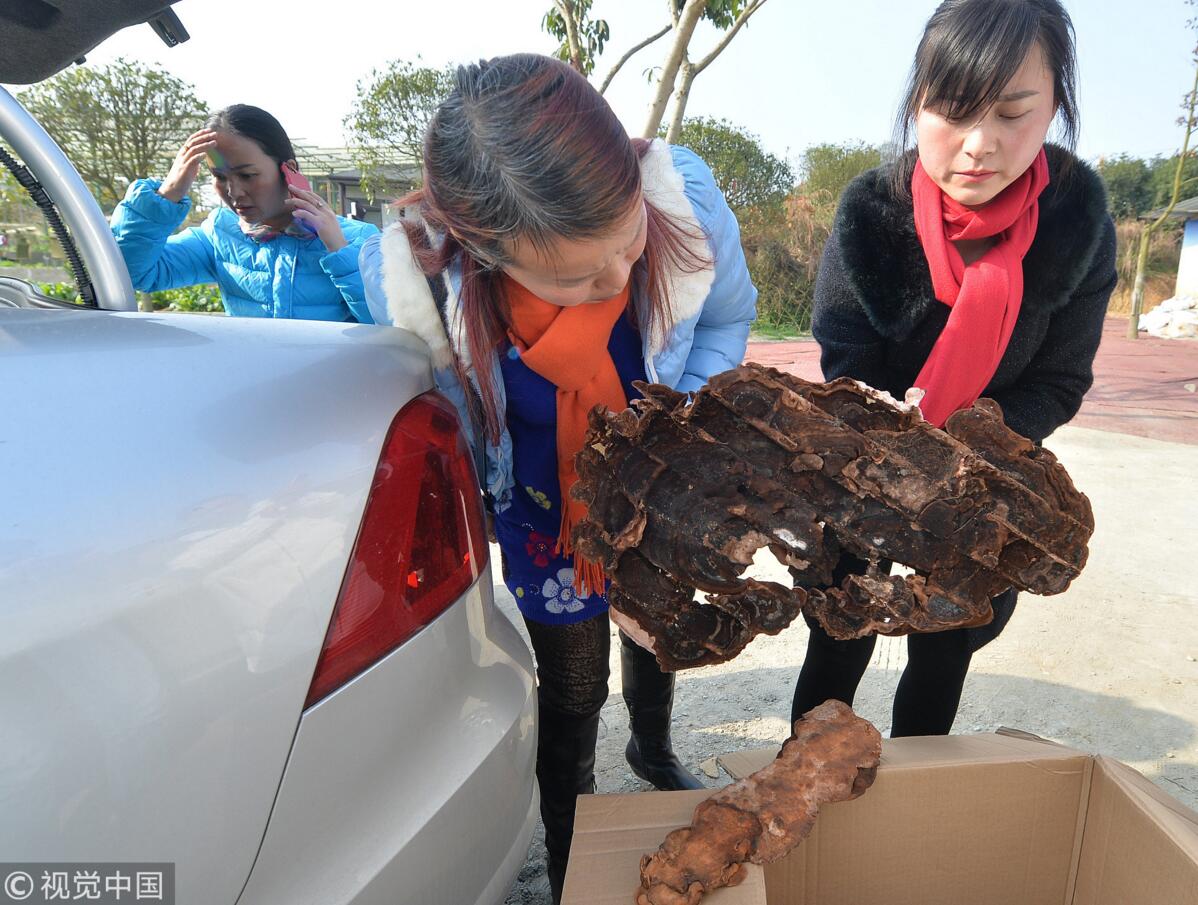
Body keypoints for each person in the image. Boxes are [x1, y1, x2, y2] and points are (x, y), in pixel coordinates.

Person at [359, 54, 756, 903]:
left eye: (626, 241)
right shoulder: (428, 290)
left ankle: (653, 744)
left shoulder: (680, 194)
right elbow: (452, 441)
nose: (617, 279)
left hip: (663, 483)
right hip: (547, 513)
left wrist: (673, 421)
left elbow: (726, 316)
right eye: (575, 275)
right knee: (573, 685)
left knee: (660, 632)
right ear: (485, 252)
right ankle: (572, 840)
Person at [791, 0, 1116, 737]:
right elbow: (847, 367)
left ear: (1053, 108)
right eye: (954, 109)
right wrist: (896, 449)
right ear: (917, 101)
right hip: (864, 477)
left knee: (944, 653)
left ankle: (914, 806)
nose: (979, 144)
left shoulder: (1077, 224)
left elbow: (1058, 382)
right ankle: (803, 813)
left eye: (1012, 113)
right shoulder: (870, 215)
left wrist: (963, 459)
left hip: (983, 493)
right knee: (837, 646)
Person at [110, 104, 377, 322]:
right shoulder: (220, 234)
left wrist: (340, 252)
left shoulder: (359, 240)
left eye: (248, 175)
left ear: (289, 171)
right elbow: (134, 273)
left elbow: (388, 328)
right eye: (219, 176)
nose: (234, 191)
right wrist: (166, 194)